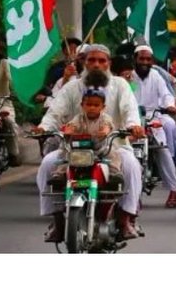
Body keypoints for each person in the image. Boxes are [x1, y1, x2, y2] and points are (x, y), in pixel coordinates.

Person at [36, 44, 144, 241]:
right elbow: (55, 113)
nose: (96, 65)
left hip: (113, 147)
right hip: (74, 149)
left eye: (101, 60)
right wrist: (43, 128)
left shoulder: (120, 84)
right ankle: (57, 220)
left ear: (109, 64)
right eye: (91, 60)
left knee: (131, 166)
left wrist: (134, 126)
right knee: (47, 164)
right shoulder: (71, 87)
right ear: (83, 63)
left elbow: (130, 110)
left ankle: (126, 220)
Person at [130, 46, 176, 206]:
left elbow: (166, 94)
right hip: (131, 120)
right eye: (142, 59)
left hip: (154, 118)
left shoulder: (156, 76)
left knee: (162, 149)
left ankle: (174, 190)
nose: (145, 62)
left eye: (148, 59)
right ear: (135, 59)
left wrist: (170, 105)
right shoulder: (128, 77)